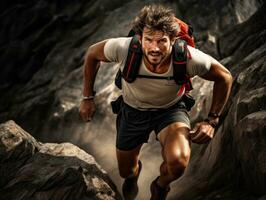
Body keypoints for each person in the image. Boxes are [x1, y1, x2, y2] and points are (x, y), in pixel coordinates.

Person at [79, 4, 232, 200]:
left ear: (173, 40)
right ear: (140, 37)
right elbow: (92, 54)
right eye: (149, 40)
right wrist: (87, 97)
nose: (154, 48)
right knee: (126, 171)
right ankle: (133, 176)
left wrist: (212, 120)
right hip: (133, 111)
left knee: (178, 162)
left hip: (171, 111)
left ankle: (160, 187)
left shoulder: (189, 59)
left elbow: (225, 77)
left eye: (162, 41)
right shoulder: (124, 48)